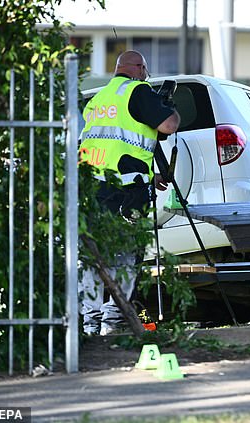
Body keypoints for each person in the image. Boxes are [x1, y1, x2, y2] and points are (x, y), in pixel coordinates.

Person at [78, 50, 181, 336]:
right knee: (126, 257)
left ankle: (89, 321)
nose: (146, 76)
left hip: (92, 189)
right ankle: (114, 320)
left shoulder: (96, 100)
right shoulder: (138, 90)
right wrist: (169, 107)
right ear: (138, 68)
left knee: (92, 257)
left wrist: (153, 175)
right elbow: (168, 126)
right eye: (145, 71)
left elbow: (114, 145)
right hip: (126, 192)